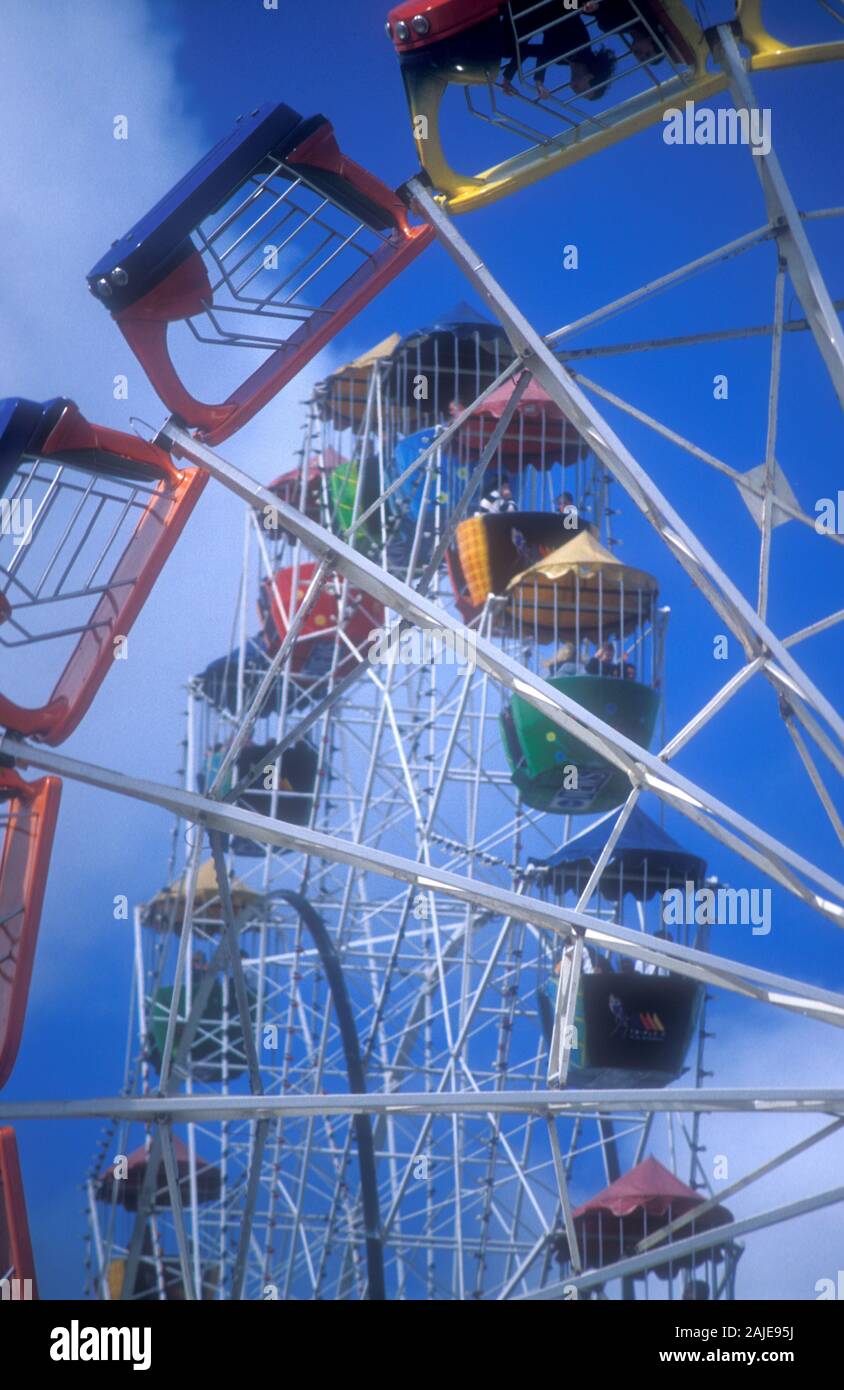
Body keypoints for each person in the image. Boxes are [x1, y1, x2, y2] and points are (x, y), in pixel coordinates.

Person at [502, 3, 618, 100]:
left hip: (542, 13)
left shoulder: (565, 60)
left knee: (507, 49)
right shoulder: (582, 51)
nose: (577, 93)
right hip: (561, 4)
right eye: (584, 92)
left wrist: (507, 78)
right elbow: (548, 44)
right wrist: (539, 80)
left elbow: (525, 51)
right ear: (590, 77)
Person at [584, 0, 666, 65]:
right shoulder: (644, 16)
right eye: (647, 54)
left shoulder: (617, 29)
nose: (641, 55)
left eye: (642, 59)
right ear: (652, 40)